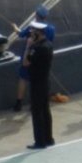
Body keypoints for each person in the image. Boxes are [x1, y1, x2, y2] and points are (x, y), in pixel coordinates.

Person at [11, 4, 55, 112]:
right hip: (43, 56)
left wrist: (14, 27)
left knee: (23, 78)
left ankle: (18, 103)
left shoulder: (32, 27)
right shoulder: (51, 29)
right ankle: (35, 103)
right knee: (38, 80)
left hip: (30, 54)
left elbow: (20, 34)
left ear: (36, 15)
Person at [24, 21, 55, 149]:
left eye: (33, 33)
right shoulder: (48, 45)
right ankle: (49, 138)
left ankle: (40, 141)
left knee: (37, 112)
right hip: (45, 82)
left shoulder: (36, 48)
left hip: (37, 82)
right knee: (45, 110)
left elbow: (25, 63)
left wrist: (28, 46)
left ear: (38, 33)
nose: (31, 35)